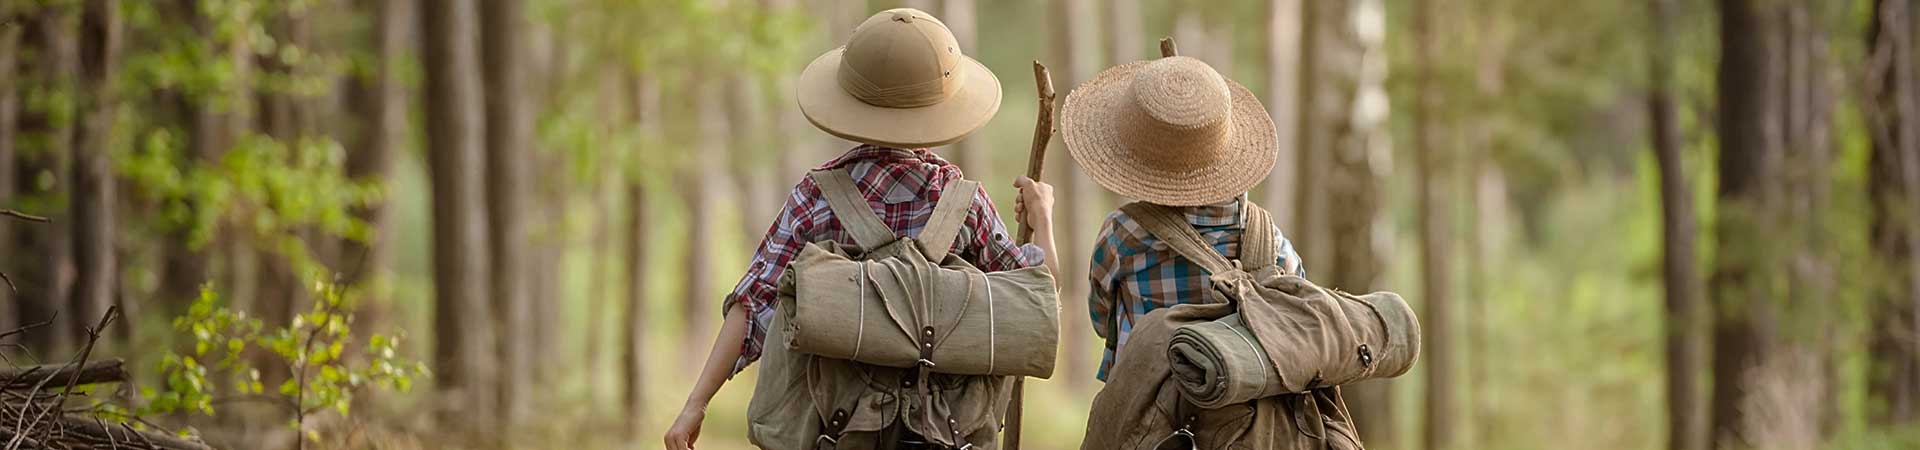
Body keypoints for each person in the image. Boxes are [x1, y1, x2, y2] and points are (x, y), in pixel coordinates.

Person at [663, 8, 1058, 450]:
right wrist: (1041, 216)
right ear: (941, 109)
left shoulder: (815, 198)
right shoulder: (966, 205)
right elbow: (1039, 302)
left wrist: (696, 404)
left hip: (830, 433)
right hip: (945, 436)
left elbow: (754, 304)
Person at [1057, 55, 1302, 381]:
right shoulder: (1266, 236)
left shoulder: (1123, 232)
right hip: (1247, 420)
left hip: (1147, 411)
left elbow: (1101, 320)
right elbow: (1295, 302)